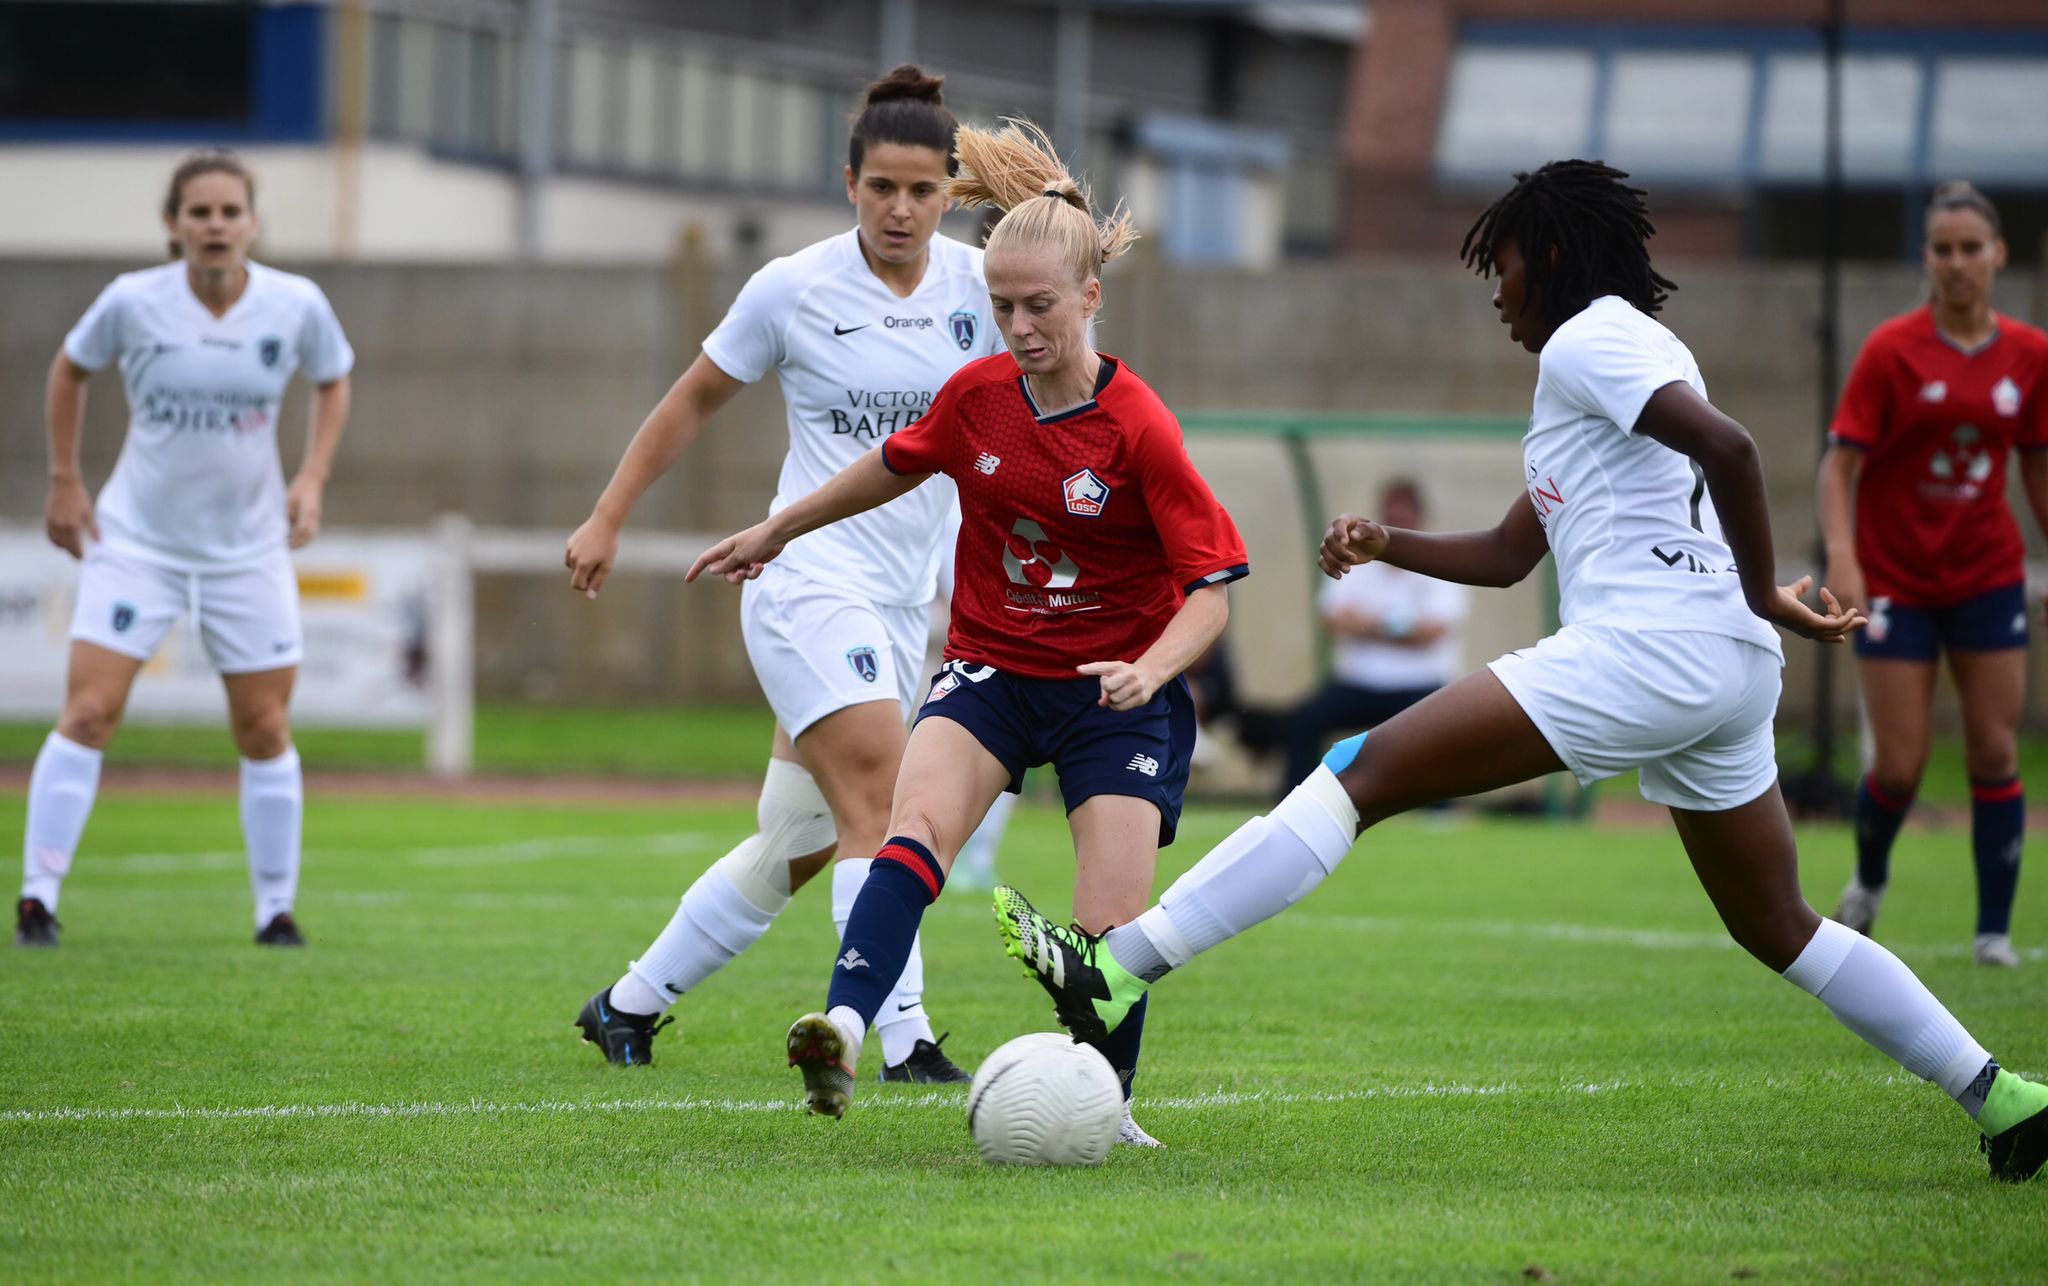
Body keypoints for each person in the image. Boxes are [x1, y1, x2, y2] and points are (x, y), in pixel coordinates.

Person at [995, 160, 2048, 1183]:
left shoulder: (1586, 339)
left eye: (1498, 265)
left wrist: (1764, 588)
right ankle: (2001, 1095)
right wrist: (1385, 544)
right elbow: (1511, 551)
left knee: (1356, 768)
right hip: (1720, 671)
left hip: (1655, 645)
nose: (1494, 293)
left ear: (1545, 255)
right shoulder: (1624, 354)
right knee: (1781, 926)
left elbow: (1729, 450)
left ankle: (1119, 963)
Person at [688, 119, 1249, 1144]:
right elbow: (894, 463)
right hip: (990, 666)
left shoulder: (1138, 428)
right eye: (999, 307)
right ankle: (846, 1026)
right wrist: (778, 525)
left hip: (1108, 692)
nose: (1018, 326)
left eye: (1039, 305)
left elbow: (1210, 586)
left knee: (1108, 929)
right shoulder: (977, 395)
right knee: (915, 830)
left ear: (1089, 297)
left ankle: (1106, 1108)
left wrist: (1150, 666)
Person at [564, 67, 999, 1082]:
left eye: (922, 190)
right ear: (847, 181)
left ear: (949, 191)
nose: (900, 208)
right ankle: (904, 1041)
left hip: (901, 603)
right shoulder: (792, 287)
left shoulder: (981, 286)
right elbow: (689, 400)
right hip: (803, 575)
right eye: (880, 186)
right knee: (887, 806)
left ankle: (625, 1003)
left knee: (795, 842)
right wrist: (606, 513)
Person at [16, 149, 354, 949]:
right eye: (198, 212)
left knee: (265, 729)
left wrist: (311, 476)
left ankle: (275, 911)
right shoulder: (133, 301)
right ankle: (37, 898)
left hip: (248, 549)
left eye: (229, 212)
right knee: (92, 712)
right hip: (137, 542)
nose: (215, 225)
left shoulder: (294, 303)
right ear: (172, 225)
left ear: (252, 222)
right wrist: (65, 479)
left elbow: (334, 377)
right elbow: (70, 370)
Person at [1821, 182, 2048, 968]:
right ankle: (1870, 882)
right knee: (1902, 762)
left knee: (1993, 749)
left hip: (1986, 574)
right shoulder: (1891, 350)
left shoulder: (2030, 355)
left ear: (1998, 255)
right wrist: (1844, 556)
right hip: (1895, 582)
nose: (1956, 262)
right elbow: (1837, 466)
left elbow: (2039, 472)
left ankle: (1992, 935)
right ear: (1927, 258)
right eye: (1942, 249)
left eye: (1970, 248)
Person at [1280, 478, 1468, 793]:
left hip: (1419, 686)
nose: (1397, 525)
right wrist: (1403, 627)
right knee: (1301, 722)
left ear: (1419, 519)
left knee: (1444, 732)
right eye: (1391, 518)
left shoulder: (1439, 562)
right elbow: (1332, 620)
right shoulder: (1356, 559)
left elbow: (1434, 631)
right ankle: (1295, 802)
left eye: (1404, 518)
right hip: (1358, 685)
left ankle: (1440, 810)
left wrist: (1370, 624)